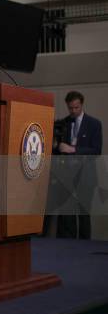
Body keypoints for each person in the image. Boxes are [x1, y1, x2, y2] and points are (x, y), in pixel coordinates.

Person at [55, 91, 102, 239]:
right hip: (67, 174)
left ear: (82, 104)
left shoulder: (94, 124)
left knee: (84, 212)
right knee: (67, 212)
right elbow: (56, 149)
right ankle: (68, 247)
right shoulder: (63, 123)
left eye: (76, 107)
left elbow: (96, 150)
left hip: (86, 175)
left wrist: (73, 149)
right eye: (70, 108)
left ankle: (85, 245)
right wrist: (57, 145)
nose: (74, 111)